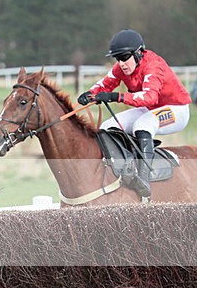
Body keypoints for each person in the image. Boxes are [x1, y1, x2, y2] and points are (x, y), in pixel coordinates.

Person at [77, 29, 192, 197]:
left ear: (138, 53)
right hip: (151, 109)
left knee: (143, 124)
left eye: (124, 57)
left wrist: (116, 96)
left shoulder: (154, 65)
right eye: (118, 58)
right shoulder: (121, 68)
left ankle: (144, 177)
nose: (121, 63)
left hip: (177, 109)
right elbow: (105, 84)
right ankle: (124, 169)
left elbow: (149, 97)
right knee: (108, 126)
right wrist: (90, 94)